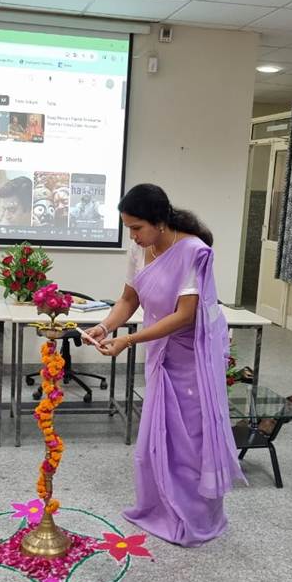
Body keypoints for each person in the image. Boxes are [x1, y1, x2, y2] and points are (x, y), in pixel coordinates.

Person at [84, 183, 247, 547]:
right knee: (156, 438)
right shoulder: (139, 249)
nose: (133, 236)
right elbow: (128, 299)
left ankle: (196, 519)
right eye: (128, 228)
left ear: (159, 221)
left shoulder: (193, 251)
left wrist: (129, 340)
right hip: (160, 350)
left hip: (192, 355)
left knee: (189, 441)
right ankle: (158, 508)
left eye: (137, 227)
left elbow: (185, 316)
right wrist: (106, 327)